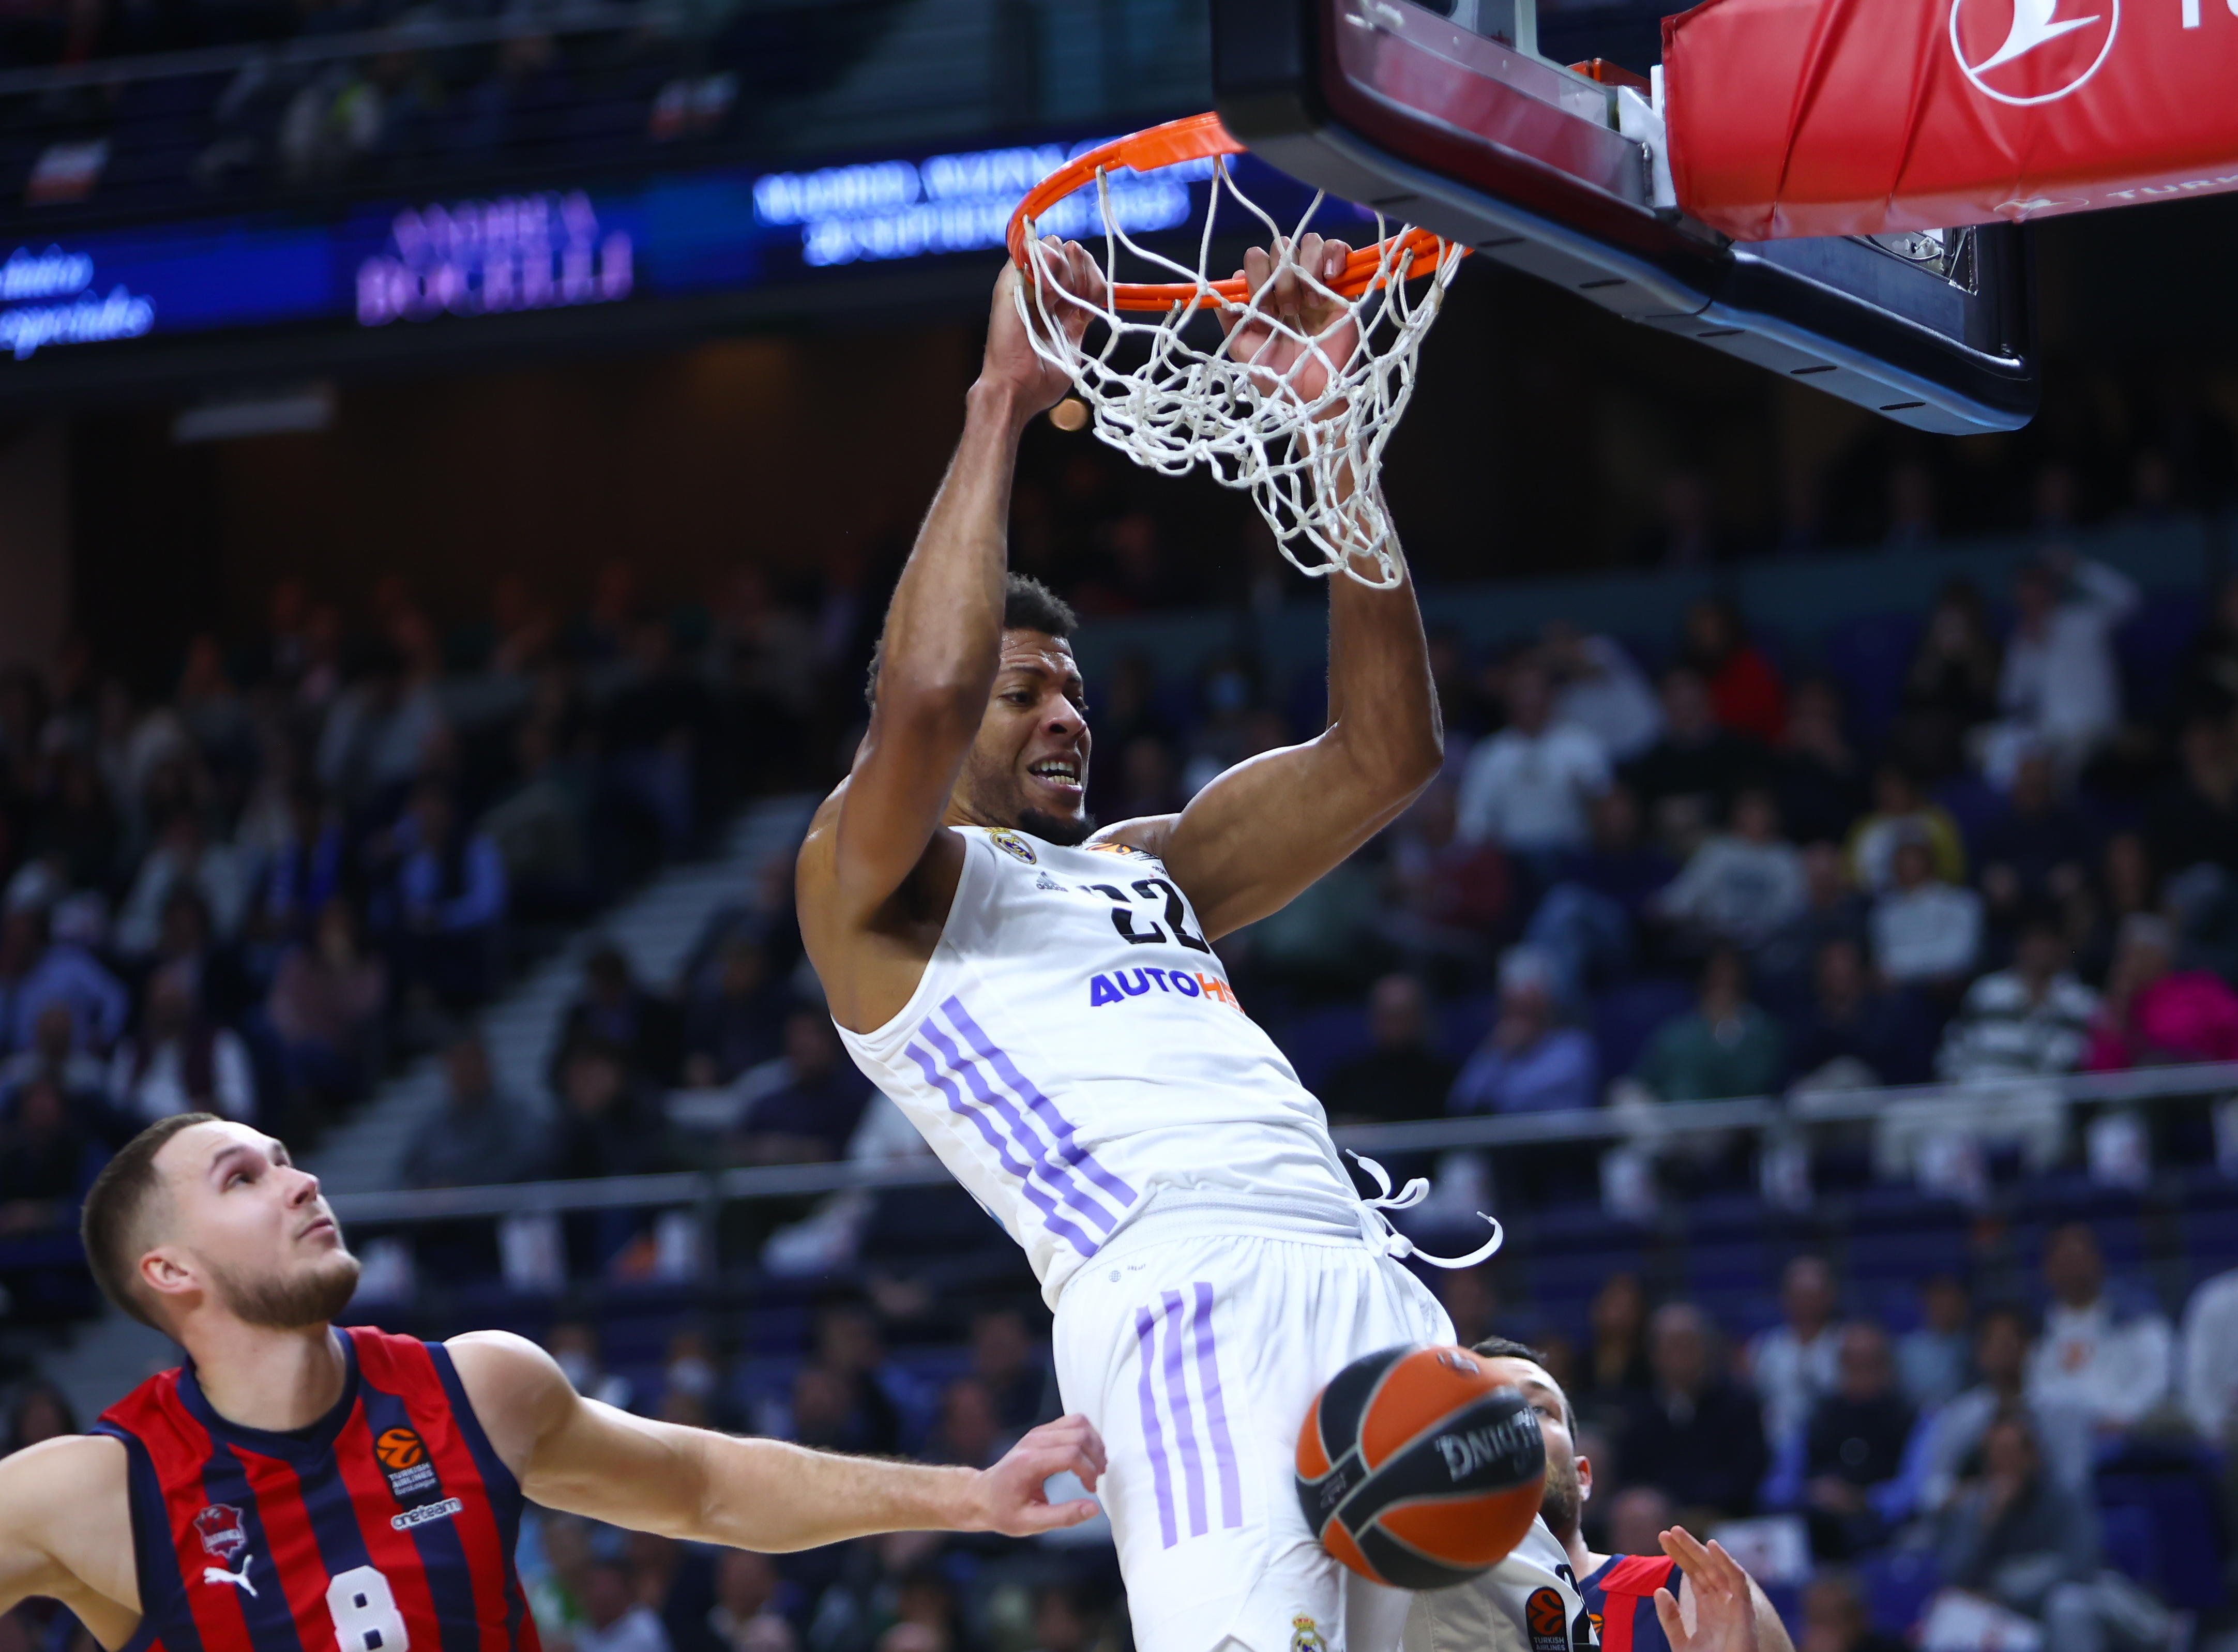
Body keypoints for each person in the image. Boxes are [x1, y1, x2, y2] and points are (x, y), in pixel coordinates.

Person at [794, 237, 1495, 1652]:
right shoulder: (872, 890)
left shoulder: (1142, 862)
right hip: (1176, 1296)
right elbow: (921, 698)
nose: (1066, 715)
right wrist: (998, 402)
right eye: (1024, 694)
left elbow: (1386, 753)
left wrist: (1331, 430)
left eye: (1073, 689)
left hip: (1366, 1273)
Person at [0, 1114, 1102, 1652]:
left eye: (289, 1158)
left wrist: (967, 1494)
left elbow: (705, 1486)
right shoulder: (94, 1490)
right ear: (170, 1271)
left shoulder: (479, 1388)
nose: (299, 1180)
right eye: (244, 1177)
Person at [1402, 1337, 1795, 1652]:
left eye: (1538, 1409)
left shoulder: (1690, 1588)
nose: (1512, 1424)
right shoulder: (1406, 1612)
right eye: (1485, 1409)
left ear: (1583, 1475)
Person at [1984, 552, 2139, 786]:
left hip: (2093, 728)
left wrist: (2078, 568)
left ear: (2050, 590)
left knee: (2057, 769)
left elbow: (2129, 599)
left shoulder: (2082, 620)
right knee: (1987, 744)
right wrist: (2031, 653)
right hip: (2049, 734)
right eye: (2024, 592)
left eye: (2036, 588)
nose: (2031, 597)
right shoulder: (2020, 640)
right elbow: (2011, 699)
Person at [1619, 1304, 1769, 1521]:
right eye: (1671, 1345)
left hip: (1727, 1518)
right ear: (1654, 1354)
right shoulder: (1639, 1411)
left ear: (1707, 1349)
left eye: (1688, 1344)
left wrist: (1698, 1510)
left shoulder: (1740, 1405)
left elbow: (1748, 1473)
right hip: (1658, 1521)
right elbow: (1632, 1477)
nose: (1680, 1355)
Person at [1455, 659, 1611, 861]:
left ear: (1551, 695)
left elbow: (1606, 805)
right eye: (1520, 691)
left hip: (1573, 853)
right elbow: (1473, 821)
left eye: (1536, 690)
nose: (1529, 699)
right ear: (1508, 699)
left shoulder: (1582, 744)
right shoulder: (1490, 754)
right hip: (1512, 859)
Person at [2025, 1223, 2172, 1433]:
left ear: (2097, 1262)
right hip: (2062, 1432)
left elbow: (2156, 1375)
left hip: (2127, 1428)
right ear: (2048, 1270)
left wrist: (2125, 1414)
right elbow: (2037, 1387)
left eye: (2078, 1258)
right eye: (2064, 1261)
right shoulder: (2040, 1327)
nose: (2072, 1269)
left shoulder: (2134, 1315)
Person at [1935, 919, 2097, 1083]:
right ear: (2020, 947)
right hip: (1979, 1082)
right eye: (2033, 943)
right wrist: (1953, 1076)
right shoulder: (1988, 989)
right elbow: (1957, 1038)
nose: (2039, 951)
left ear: (2061, 949)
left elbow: (2068, 1059)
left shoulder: (2079, 1000)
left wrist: (2041, 1007)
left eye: (2047, 944)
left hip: (2037, 1090)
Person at [1650, 787, 1806, 952]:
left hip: (1767, 946)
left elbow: (1791, 908)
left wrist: (1759, 929)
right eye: (1750, 810)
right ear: (1737, 813)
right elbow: (1690, 891)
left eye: (1761, 810)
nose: (1756, 817)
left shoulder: (1785, 856)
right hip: (1716, 941)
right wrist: (1662, 906)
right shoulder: (1719, 850)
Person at [1448, 948, 1596, 1116]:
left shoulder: (1573, 1046)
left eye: (1528, 1009)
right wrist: (1495, 1055)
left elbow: (1515, 1097)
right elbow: (1461, 1100)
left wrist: (1506, 1057)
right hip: (1506, 1139)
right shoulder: (1498, 1047)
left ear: (1546, 1005)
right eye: (1513, 1008)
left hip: (1560, 1139)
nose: (1519, 1019)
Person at [1631, 948, 1785, 1104]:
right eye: (1717, 978)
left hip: (1730, 1118)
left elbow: (1754, 1085)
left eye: (1731, 979)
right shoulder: (1676, 1031)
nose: (1725, 983)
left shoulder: (1762, 1032)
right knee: (1624, 1092)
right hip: (1672, 1118)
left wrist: (1726, 1033)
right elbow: (1648, 1079)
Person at [1320, 973, 1458, 1126]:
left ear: (1421, 1017)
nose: (1392, 1025)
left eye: (1401, 1015)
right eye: (1384, 1015)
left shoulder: (1445, 1079)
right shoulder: (1347, 1077)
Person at [1747, 1255, 1842, 1454]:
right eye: (1799, 1294)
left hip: (1833, 1449)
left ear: (1829, 1296)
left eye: (1812, 1294)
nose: (1806, 1302)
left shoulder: (1847, 1343)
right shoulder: (1765, 1347)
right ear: (1785, 1298)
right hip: (1775, 1449)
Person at [1868, 832, 1983, 992]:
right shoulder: (1884, 913)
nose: (1910, 867)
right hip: (1904, 993)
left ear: (1929, 862)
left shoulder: (1960, 901)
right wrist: (1932, 965)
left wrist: (1911, 967)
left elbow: (1961, 955)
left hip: (1954, 989)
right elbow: (1888, 964)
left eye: (1915, 860)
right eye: (1904, 862)